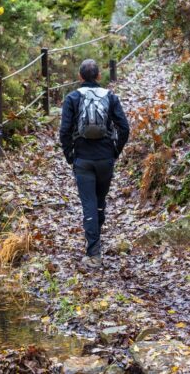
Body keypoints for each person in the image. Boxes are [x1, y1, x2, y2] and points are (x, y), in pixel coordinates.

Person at [59, 59, 130, 268]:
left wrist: (70, 155)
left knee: (88, 204)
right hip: (105, 158)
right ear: (99, 76)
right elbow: (124, 128)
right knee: (99, 201)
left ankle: (94, 254)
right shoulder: (110, 97)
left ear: (80, 77)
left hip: (83, 159)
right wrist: (115, 150)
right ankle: (96, 238)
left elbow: (64, 132)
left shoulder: (72, 98)